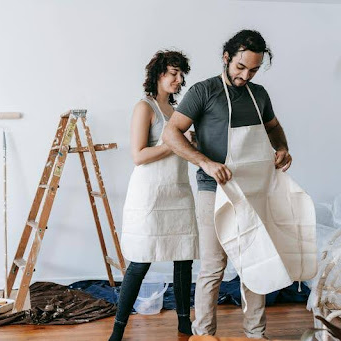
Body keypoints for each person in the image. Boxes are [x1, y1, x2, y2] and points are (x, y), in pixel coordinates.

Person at [163, 30, 292, 338]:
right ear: (226, 58)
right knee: (212, 267)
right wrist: (205, 162)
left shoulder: (259, 94)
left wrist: (283, 148)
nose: (245, 75)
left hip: (253, 191)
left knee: (255, 262)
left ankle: (255, 333)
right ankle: (204, 335)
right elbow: (171, 134)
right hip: (213, 190)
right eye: (240, 67)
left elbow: (274, 129)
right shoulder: (203, 91)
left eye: (253, 69)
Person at [109, 50, 199, 341]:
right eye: (173, 73)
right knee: (140, 260)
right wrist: (177, 143)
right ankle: (118, 329)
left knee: (184, 259)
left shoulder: (177, 111)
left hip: (179, 191)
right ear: (158, 74)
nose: (178, 79)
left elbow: (184, 149)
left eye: (181, 74)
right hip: (150, 195)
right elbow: (138, 155)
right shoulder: (144, 107)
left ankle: (185, 325)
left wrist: (191, 143)